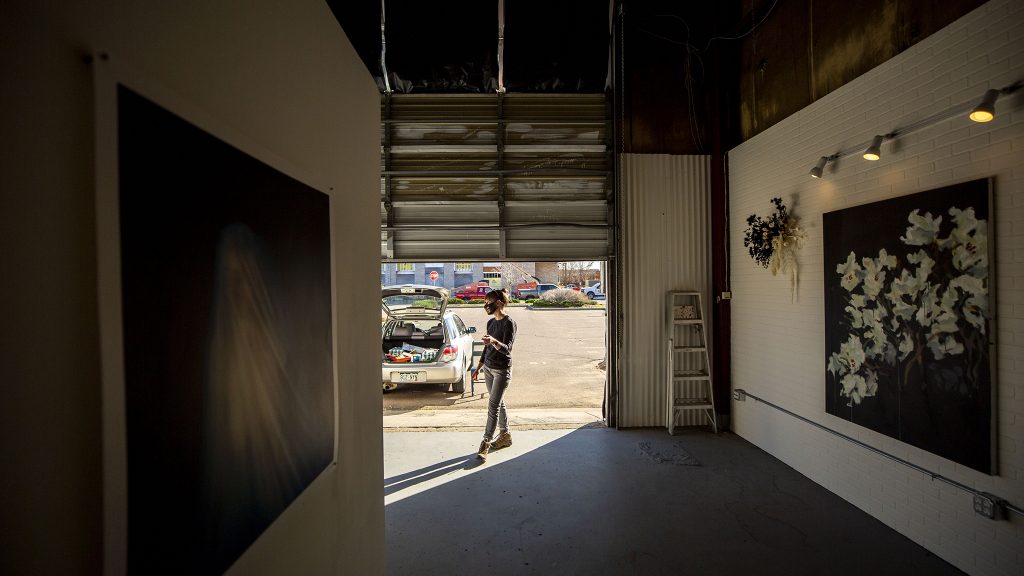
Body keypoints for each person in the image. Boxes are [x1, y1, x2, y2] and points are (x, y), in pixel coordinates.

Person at [471, 289, 517, 461]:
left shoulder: (509, 323)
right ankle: (505, 435)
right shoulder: (491, 323)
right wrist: (479, 367)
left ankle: (486, 442)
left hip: (502, 370)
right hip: (488, 368)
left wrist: (494, 341)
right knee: (498, 403)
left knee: (493, 407)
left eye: (488, 302)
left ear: (498, 303)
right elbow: (486, 347)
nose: (486, 305)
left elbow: (507, 350)